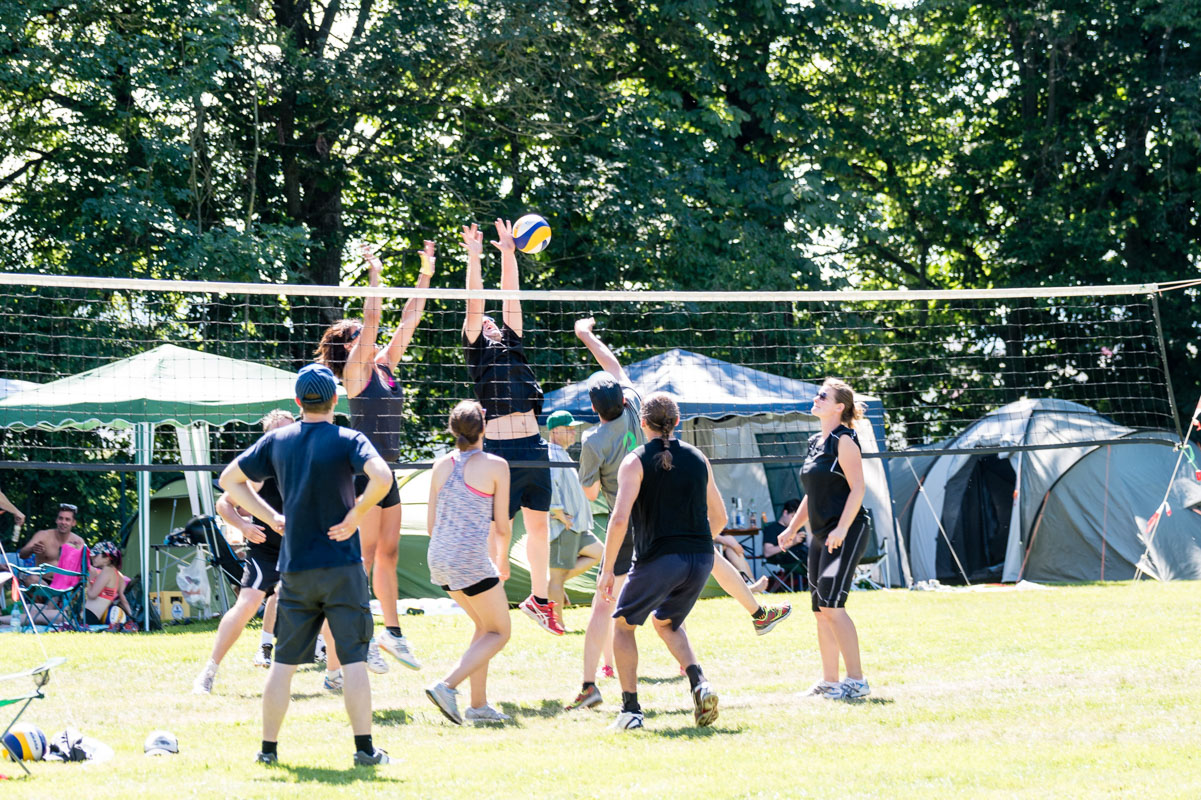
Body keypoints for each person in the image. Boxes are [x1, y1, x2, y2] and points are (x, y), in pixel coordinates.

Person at [566, 319, 790, 712]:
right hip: (667, 511)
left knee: (607, 602)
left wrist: (598, 472)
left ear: (594, 409)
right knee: (706, 554)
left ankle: (591, 685)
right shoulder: (637, 407)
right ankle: (756, 612)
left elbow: (592, 495)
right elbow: (613, 365)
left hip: (631, 516)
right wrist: (587, 335)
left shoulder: (594, 440)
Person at [220, 363, 394, 767]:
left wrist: (267, 516)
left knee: (283, 664)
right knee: (353, 660)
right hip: (342, 566)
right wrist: (356, 514)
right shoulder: (350, 439)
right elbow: (382, 477)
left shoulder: (277, 440)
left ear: (298, 401)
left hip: (295, 568)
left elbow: (229, 480)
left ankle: (268, 752)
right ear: (335, 400)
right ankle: (365, 750)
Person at [315, 242, 433, 672]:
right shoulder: (354, 373)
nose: (367, 338)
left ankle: (393, 633)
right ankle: (356, 634)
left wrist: (426, 273)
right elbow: (373, 319)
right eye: (356, 337)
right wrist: (375, 274)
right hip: (364, 474)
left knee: (389, 554)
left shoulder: (384, 365)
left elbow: (409, 319)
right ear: (347, 347)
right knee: (363, 557)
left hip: (389, 471)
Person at [598, 393, 724, 731]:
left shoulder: (634, 461)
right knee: (666, 622)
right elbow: (721, 518)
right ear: (678, 422)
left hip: (660, 559)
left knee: (623, 626)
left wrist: (607, 569)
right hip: (701, 559)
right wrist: (696, 542)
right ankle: (700, 683)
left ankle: (631, 711)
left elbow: (619, 519)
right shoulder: (698, 457)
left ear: (642, 423)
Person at [460, 220, 559, 634]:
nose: (490, 324)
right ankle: (488, 600)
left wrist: (507, 253)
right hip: (499, 455)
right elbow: (475, 305)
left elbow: (510, 297)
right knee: (496, 533)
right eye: (485, 324)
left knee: (539, 527)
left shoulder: (513, 344)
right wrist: (475, 257)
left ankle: (540, 600)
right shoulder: (477, 352)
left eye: (494, 323)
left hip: (534, 447)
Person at [778, 379, 872, 700]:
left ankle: (856, 681)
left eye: (823, 396)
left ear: (839, 407)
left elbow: (858, 488)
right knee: (820, 610)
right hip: (821, 534)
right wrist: (793, 528)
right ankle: (830, 682)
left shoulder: (844, 440)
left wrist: (842, 529)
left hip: (846, 531)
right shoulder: (816, 442)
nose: (816, 398)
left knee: (832, 606)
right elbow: (812, 493)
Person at [423, 401, 513, 725]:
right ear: (483, 428)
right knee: (500, 632)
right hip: (469, 560)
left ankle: (478, 706)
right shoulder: (496, 465)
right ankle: (447, 686)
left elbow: (431, 526)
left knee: (485, 628)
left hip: (439, 557)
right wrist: (501, 561)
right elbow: (502, 526)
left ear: (452, 428)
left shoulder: (440, 465)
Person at [194, 410, 295, 695]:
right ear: (267, 438)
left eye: (289, 430)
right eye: (278, 432)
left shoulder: (307, 462)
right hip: (266, 550)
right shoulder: (259, 471)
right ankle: (209, 671)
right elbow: (224, 504)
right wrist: (244, 526)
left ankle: (336, 673)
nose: (285, 437)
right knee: (248, 604)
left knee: (324, 604)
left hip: (299, 549)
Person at [545, 410, 602, 632]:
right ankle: (557, 624)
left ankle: (550, 585)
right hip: (563, 527)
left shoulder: (562, 454)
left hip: (577, 526)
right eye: (568, 429)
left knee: (600, 553)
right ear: (554, 431)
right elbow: (549, 486)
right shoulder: (551, 453)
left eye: (573, 428)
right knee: (556, 577)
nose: (573, 432)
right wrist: (558, 513)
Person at [18, 503, 86, 584]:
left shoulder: (78, 541)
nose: (63, 522)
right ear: (56, 520)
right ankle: (49, 592)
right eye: (60, 518)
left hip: (66, 585)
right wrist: (32, 549)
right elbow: (22, 554)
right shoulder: (42, 535)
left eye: (67, 519)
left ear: (73, 523)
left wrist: (77, 552)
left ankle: (57, 592)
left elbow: (85, 567)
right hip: (43, 581)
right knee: (31, 579)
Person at [762, 498, 807, 590]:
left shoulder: (797, 528)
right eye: (793, 517)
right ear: (785, 513)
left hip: (803, 557)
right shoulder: (772, 528)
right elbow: (767, 552)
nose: (794, 521)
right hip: (786, 558)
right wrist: (792, 542)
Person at [84, 541, 128, 625]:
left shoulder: (107, 571)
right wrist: (133, 616)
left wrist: (89, 579)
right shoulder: (119, 575)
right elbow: (123, 598)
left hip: (88, 616)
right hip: (95, 618)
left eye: (96, 555)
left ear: (107, 558)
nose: (92, 557)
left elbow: (92, 595)